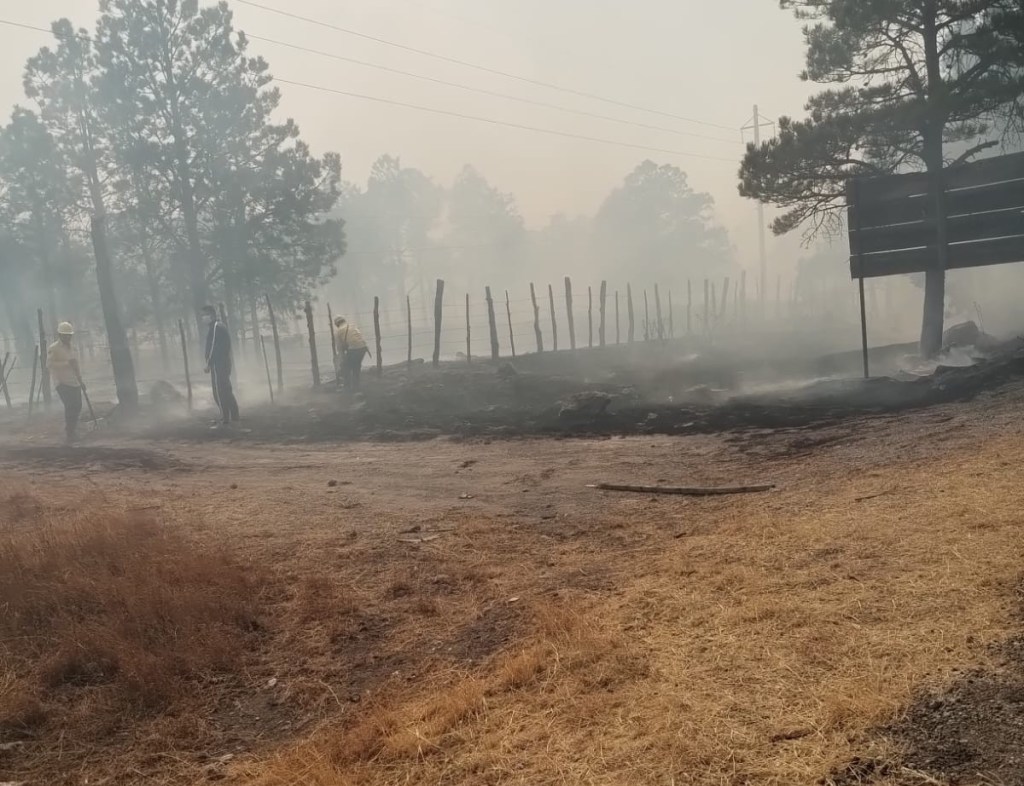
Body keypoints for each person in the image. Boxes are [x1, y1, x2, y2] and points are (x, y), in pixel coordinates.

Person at [202, 305, 239, 425]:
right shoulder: (220, 326)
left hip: (219, 364)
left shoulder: (216, 327)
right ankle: (234, 415)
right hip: (224, 363)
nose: (203, 318)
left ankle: (225, 418)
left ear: (211, 315)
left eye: (205, 315)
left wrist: (209, 363)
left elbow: (213, 347)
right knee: (226, 389)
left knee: (219, 391)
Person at [47, 322, 83, 444]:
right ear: (60, 335)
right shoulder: (54, 348)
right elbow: (50, 365)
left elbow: (76, 365)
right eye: (65, 335)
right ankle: (70, 433)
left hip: (74, 381)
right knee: (70, 406)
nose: (68, 338)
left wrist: (80, 380)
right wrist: (66, 364)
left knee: (78, 405)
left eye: (69, 335)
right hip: (61, 382)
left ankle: (71, 429)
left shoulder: (72, 347)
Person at [333, 316, 370, 391]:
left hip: (354, 349)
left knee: (346, 367)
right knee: (356, 367)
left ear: (337, 324)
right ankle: (356, 387)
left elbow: (339, 347)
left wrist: (341, 358)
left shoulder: (338, 331)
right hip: (363, 348)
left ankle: (347, 387)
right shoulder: (353, 326)